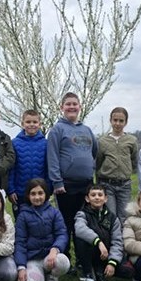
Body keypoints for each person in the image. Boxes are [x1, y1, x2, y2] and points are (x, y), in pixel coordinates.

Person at [47, 92, 98, 260]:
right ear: (61, 107)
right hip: (65, 185)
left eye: (74, 104)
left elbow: (94, 152)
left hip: (86, 184)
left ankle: (84, 260)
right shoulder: (57, 130)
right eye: (68, 104)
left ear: (80, 107)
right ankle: (65, 258)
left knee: (83, 223)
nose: (71, 107)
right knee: (66, 224)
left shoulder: (87, 130)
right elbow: (52, 157)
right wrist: (57, 182)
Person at [14, 178, 71, 281]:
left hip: (49, 257)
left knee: (63, 262)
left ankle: (52, 277)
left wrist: (54, 250)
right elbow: (20, 242)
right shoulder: (23, 215)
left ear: (46, 194)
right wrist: (21, 267)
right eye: (33, 194)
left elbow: (62, 233)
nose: (37, 197)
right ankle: (38, 274)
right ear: (28, 196)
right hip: (32, 259)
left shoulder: (54, 212)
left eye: (40, 193)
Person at [74, 184, 125, 281]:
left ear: (106, 198)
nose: (97, 197)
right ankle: (88, 275)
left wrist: (112, 262)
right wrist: (98, 242)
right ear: (87, 199)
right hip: (89, 252)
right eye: (93, 195)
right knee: (81, 239)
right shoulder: (82, 214)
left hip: (105, 255)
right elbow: (79, 229)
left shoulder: (113, 218)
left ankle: (100, 270)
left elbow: (117, 241)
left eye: (100, 195)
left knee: (127, 272)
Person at [95, 107, 137, 222]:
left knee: (124, 216)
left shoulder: (131, 140)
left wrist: (126, 171)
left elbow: (134, 160)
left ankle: (123, 239)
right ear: (111, 120)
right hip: (107, 184)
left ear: (126, 122)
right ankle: (112, 240)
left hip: (124, 185)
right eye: (115, 120)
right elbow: (98, 162)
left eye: (121, 121)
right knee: (110, 215)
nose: (117, 123)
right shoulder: (102, 141)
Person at [8, 109, 49, 218]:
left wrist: (48, 188)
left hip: (40, 193)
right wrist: (11, 189)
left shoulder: (45, 144)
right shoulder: (14, 143)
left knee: (41, 221)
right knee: (21, 221)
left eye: (35, 122)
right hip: (20, 193)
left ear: (40, 124)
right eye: (28, 122)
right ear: (22, 124)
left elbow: (48, 168)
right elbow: (11, 168)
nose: (31, 125)